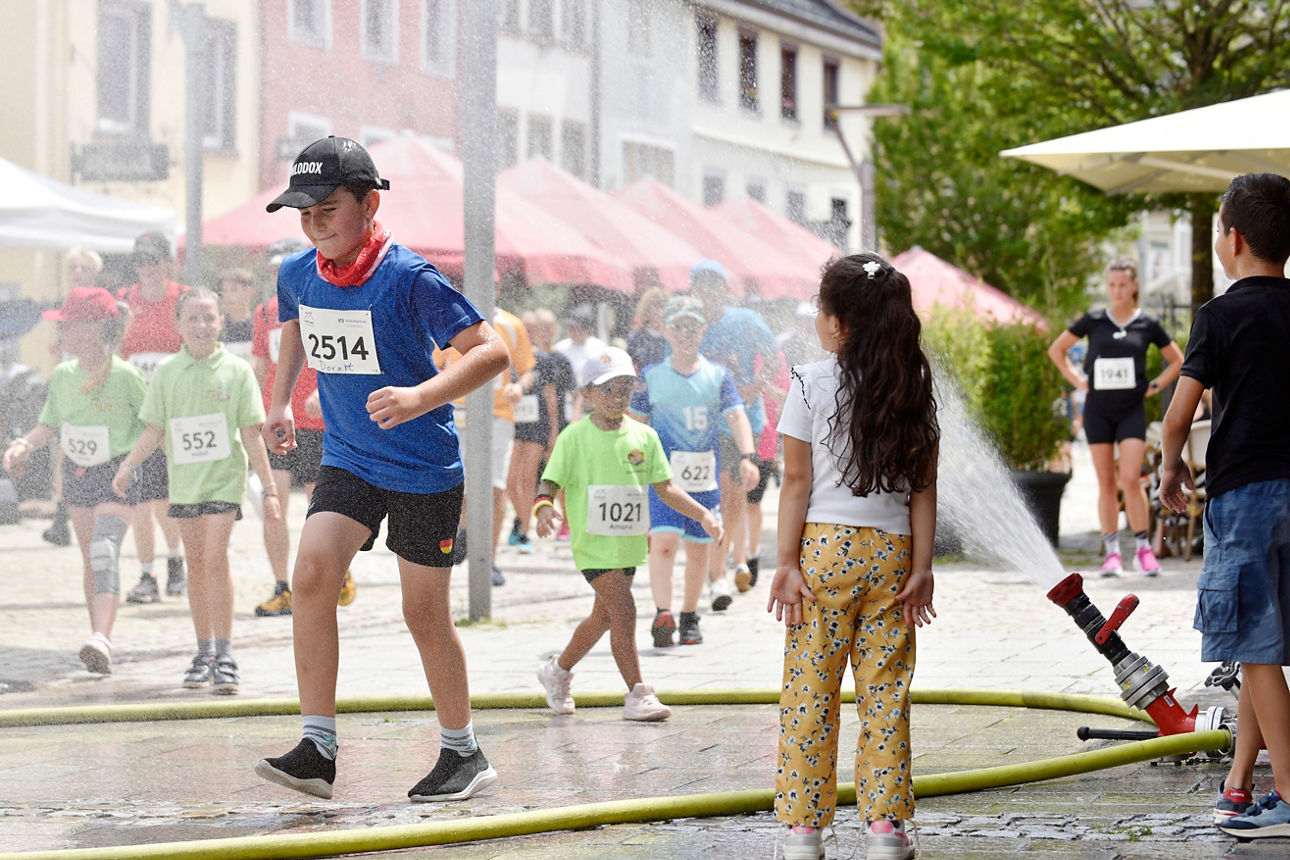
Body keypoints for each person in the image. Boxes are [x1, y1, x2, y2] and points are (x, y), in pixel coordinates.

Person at [254, 136, 509, 802]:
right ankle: (317, 747)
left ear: (369, 204)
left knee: (422, 613)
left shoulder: (409, 277)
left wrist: (421, 397)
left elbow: (492, 352)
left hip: (424, 466)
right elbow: (296, 326)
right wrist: (280, 399)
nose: (315, 223)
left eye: (328, 209)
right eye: (304, 213)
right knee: (310, 572)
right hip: (349, 456)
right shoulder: (297, 272)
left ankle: (463, 752)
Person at [769, 254, 938, 860]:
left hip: (823, 553)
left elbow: (795, 482)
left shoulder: (811, 383)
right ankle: (885, 830)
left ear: (839, 324)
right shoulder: (911, 388)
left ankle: (803, 832)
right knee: (885, 694)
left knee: (810, 692)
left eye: (821, 310)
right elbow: (923, 487)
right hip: (893, 557)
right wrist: (922, 568)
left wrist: (784, 562)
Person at [1159, 172, 1290, 840]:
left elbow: (1179, 415)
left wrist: (1169, 468)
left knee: (1253, 647)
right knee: (1261, 648)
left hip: (1243, 497)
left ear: (1231, 240)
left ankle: (1289, 796)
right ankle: (1240, 785)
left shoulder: (1220, 316)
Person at [533, 346, 723, 719]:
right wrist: (542, 508)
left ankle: (557, 672)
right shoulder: (574, 437)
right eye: (607, 390)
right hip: (592, 544)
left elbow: (666, 488)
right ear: (587, 393)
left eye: (624, 389)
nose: (617, 398)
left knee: (603, 618)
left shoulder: (644, 437)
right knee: (625, 610)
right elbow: (549, 482)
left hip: (629, 545)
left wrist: (703, 514)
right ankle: (637, 693)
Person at [111, 287, 281, 694]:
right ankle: (203, 651)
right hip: (184, 485)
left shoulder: (237, 371)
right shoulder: (168, 373)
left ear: (222, 321)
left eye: (210, 317)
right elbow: (154, 428)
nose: (203, 325)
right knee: (196, 565)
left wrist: (270, 487)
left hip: (224, 479)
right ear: (178, 325)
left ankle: (225, 653)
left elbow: (251, 434)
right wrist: (128, 465)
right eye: (193, 318)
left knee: (214, 558)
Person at [2, 288, 145, 674]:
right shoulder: (63, 375)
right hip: (78, 472)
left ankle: (101, 637)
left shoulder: (127, 376)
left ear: (93, 328)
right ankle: (97, 638)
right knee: (90, 558)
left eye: (67, 324)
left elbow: (152, 426)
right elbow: (50, 423)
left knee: (104, 550)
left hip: (116, 472)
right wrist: (21, 445)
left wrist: (134, 464)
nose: (61, 332)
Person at [629, 296, 758, 647]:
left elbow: (736, 416)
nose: (686, 333)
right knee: (666, 542)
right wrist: (630, 462)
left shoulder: (718, 376)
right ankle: (662, 613)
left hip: (704, 478)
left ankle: (689, 615)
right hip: (664, 480)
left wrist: (748, 455)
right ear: (666, 330)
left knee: (700, 548)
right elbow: (635, 425)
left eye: (692, 327)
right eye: (679, 327)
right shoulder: (652, 377)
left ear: (703, 330)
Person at [1048, 258, 1183, 578]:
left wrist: (1154, 387)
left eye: (1122, 284)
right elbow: (1057, 350)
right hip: (1098, 410)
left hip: (1131, 409)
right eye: (1111, 284)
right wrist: (1078, 382)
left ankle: (1143, 551)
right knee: (1106, 482)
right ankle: (1111, 555)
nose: (1116, 290)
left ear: (1134, 285)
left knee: (1131, 479)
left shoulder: (1147, 323)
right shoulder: (1094, 319)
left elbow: (1177, 360)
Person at [249, 238, 357, 618]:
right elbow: (260, 366)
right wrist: (254, 411)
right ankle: (283, 586)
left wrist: (326, 398)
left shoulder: (321, 302)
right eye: (274, 268)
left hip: (315, 422)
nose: (280, 275)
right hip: (276, 422)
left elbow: (340, 357)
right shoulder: (264, 313)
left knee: (321, 506)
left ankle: (337, 572)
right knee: (273, 505)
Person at [691, 260, 780, 594]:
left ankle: (734, 564)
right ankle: (722, 565)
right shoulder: (691, 324)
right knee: (710, 495)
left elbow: (774, 355)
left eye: (713, 285)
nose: (707, 291)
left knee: (733, 492)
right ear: (693, 289)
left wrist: (756, 386)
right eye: (701, 285)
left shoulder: (746, 320)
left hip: (742, 419)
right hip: (700, 424)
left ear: (725, 289)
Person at [435, 305, 536, 586]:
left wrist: (520, 387)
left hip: (498, 413)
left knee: (494, 486)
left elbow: (527, 369)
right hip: (458, 410)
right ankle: (465, 532)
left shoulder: (512, 324)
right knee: (459, 484)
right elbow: (433, 360)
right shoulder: (452, 317)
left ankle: (488, 559)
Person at [118, 231, 188, 603]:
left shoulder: (183, 299)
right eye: (140, 260)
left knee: (166, 500)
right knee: (141, 502)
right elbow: (116, 352)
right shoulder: (125, 302)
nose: (146, 268)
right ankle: (147, 574)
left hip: (174, 415)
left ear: (167, 262)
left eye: (153, 260)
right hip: (136, 416)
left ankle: (176, 562)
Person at [43, 248, 106, 547]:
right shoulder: (61, 305)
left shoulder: (105, 304)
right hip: (68, 381)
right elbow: (56, 347)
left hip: (100, 383)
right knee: (63, 450)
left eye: (84, 268)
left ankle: (97, 507)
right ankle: (61, 514)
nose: (78, 273)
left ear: (95, 272)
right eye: (73, 268)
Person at [505, 309, 568, 553]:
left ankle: (524, 533)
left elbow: (551, 397)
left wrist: (553, 433)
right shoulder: (509, 357)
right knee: (510, 480)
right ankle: (521, 521)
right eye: (526, 329)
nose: (530, 334)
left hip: (537, 424)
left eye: (534, 329)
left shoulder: (543, 359)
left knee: (528, 478)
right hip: (513, 422)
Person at [217, 267, 258, 362]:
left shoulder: (257, 324)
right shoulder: (220, 326)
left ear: (248, 291)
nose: (227, 295)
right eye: (225, 290)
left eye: (233, 290)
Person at [626, 287, 669, 372]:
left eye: (663, 307)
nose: (660, 311)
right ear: (646, 309)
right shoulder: (636, 337)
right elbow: (628, 365)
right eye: (656, 307)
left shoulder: (672, 336)